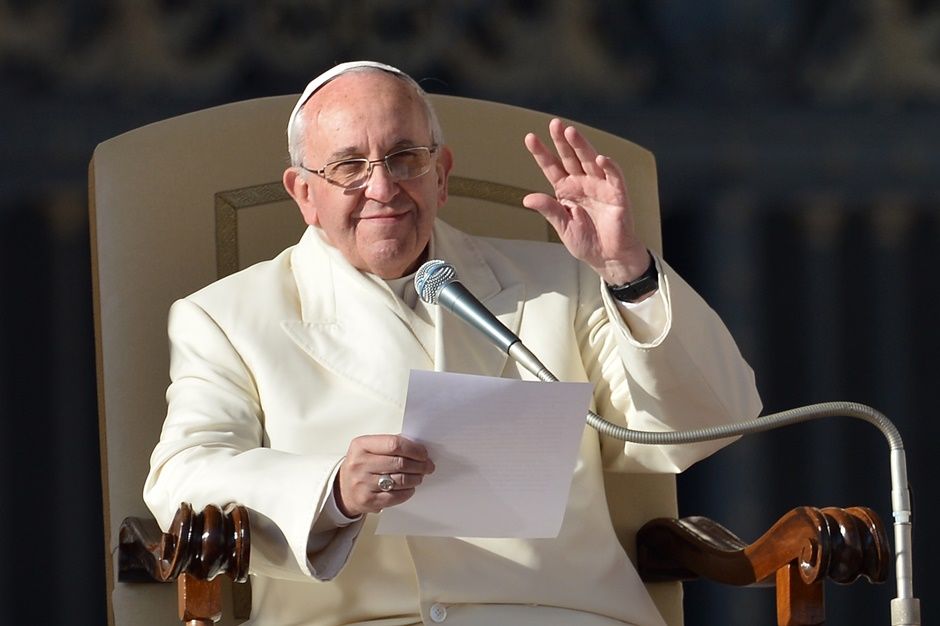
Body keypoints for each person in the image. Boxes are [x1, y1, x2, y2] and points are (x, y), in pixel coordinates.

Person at [144, 60, 762, 626]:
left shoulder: (559, 282)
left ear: (441, 175)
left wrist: (629, 272)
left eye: (405, 157)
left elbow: (703, 423)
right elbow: (183, 479)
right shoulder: (226, 317)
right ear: (305, 193)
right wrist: (333, 489)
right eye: (349, 166)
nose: (382, 187)